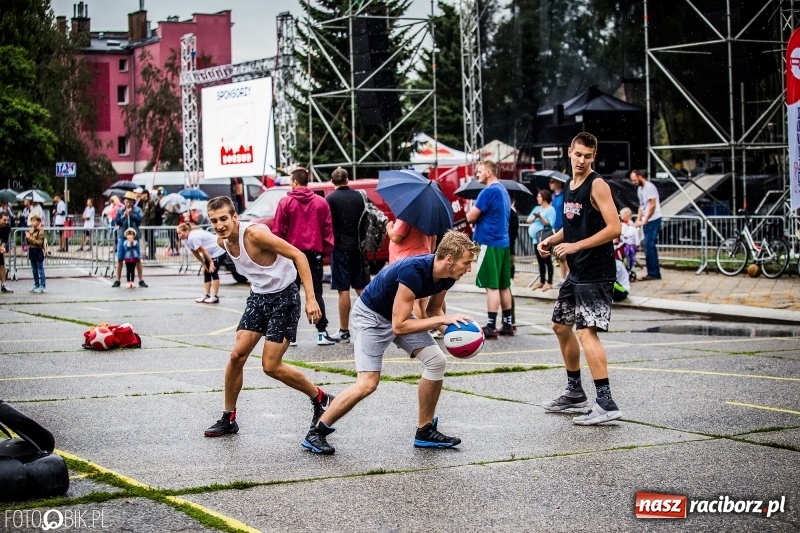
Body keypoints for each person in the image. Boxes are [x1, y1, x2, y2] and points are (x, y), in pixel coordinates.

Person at [302, 230, 479, 455]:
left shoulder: (448, 276)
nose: (468, 268)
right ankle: (316, 432)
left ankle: (424, 431)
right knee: (367, 383)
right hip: (371, 317)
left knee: (436, 361)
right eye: (467, 262)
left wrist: (456, 335)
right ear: (449, 259)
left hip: (396, 315)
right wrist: (443, 319)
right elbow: (400, 326)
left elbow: (433, 310)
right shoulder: (413, 271)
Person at [203, 196, 335, 439]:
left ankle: (321, 398)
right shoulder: (222, 243)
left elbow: (299, 255)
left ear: (234, 217)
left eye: (224, 218)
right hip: (259, 297)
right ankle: (228, 417)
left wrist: (310, 298)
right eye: (214, 221)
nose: (220, 224)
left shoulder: (254, 236)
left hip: (285, 297)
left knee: (270, 366)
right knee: (236, 355)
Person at [536, 132, 622, 425]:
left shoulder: (597, 185)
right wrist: (551, 239)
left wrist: (575, 246)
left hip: (596, 272)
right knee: (560, 326)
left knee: (587, 332)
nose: (582, 160)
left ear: (593, 157)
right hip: (577, 272)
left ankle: (606, 402)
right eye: (578, 154)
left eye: (588, 156)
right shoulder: (570, 187)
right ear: (569, 152)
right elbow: (572, 227)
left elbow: (614, 228)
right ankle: (575, 393)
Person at [272, 168, 337, 345]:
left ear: (294, 182)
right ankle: (322, 332)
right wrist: (324, 251)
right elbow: (327, 229)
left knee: (290, 294)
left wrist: (277, 254)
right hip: (313, 253)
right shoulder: (321, 202)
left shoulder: (285, 202)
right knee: (315, 293)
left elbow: (278, 231)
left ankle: (289, 335)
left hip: (290, 254)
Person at [466, 160, 513, 338]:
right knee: (503, 285)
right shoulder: (503, 190)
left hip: (488, 242)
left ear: (488, 172)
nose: (477, 174)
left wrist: (470, 210)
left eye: (479, 172)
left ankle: (491, 326)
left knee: (491, 286)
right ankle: (507, 323)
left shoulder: (488, 191)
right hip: (503, 242)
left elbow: (471, 217)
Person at [325, 167, 370, 343]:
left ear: (332, 181)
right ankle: (378, 321)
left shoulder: (330, 199)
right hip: (358, 247)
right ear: (347, 180)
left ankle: (344, 331)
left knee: (343, 289)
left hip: (339, 247)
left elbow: (327, 223)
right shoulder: (359, 196)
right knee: (362, 288)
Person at [387, 216, 436, 321]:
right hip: (424, 259)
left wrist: (389, 227)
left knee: (413, 301)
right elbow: (434, 241)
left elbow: (396, 237)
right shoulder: (428, 217)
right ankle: (426, 329)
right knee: (423, 299)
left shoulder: (406, 216)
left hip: (406, 262)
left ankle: (415, 331)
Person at [177, 222, 227, 304]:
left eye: (180, 233)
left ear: (186, 231)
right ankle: (206, 295)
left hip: (218, 250)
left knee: (213, 271)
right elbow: (195, 252)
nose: (178, 235)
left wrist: (211, 262)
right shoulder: (184, 240)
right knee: (206, 272)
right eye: (177, 233)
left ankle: (215, 296)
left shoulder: (193, 237)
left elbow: (202, 250)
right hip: (210, 253)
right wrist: (204, 264)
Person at [630, 169, 662, 280]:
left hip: (653, 219)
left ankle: (653, 273)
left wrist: (645, 219)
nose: (634, 182)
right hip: (647, 220)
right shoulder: (640, 189)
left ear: (639, 176)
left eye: (634, 180)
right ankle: (654, 272)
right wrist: (638, 220)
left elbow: (652, 205)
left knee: (649, 245)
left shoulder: (649, 187)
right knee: (649, 246)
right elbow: (641, 206)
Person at [112, 191, 148, 288]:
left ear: (133, 202)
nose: (128, 204)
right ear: (124, 201)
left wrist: (132, 215)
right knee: (120, 258)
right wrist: (123, 216)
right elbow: (117, 222)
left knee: (137, 259)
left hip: (134, 237)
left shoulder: (138, 210)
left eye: (130, 202)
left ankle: (141, 280)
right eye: (127, 201)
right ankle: (117, 280)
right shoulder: (120, 210)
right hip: (122, 237)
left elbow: (139, 221)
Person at [526, 189, 556, 291]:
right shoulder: (537, 208)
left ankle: (550, 282)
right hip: (535, 240)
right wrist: (535, 217)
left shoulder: (551, 209)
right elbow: (528, 220)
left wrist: (540, 217)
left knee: (547, 260)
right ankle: (542, 281)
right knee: (540, 261)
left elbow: (550, 224)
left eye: (539, 196)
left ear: (544, 198)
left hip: (544, 239)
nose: (537, 198)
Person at [549, 175, 568, 286]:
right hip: (555, 228)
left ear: (559, 184)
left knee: (567, 254)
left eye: (552, 181)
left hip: (564, 228)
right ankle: (563, 277)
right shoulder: (552, 197)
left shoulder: (565, 195)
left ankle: (569, 275)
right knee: (559, 255)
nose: (550, 184)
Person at [25, 214, 46, 293]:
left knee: (40, 269)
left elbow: (39, 243)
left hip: (38, 251)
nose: (32, 223)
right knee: (34, 269)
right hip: (32, 250)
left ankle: (42, 285)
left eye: (34, 221)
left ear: (38, 222)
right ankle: (36, 284)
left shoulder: (41, 231)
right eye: (32, 221)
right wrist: (27, 238)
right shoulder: (31, 230)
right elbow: (29, 242)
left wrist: (29, 238)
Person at [140, 190, 159, 259]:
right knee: (147, 240)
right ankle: (148, 254)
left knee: (151, 240)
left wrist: (148, 224)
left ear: (146, 194)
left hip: (149, 225)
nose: (141, 196)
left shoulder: (150, 202)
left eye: (142, 194)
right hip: (144, 225)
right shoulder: (144, 203)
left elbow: (152, 215)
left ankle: (152, 255)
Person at [0, 212, 13, 293]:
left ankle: (4, 285)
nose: (6, 222)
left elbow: (4, 239)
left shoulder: (7, 227)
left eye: (7, 220)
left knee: (1, 265)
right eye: (4, 220)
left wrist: (2, 247)